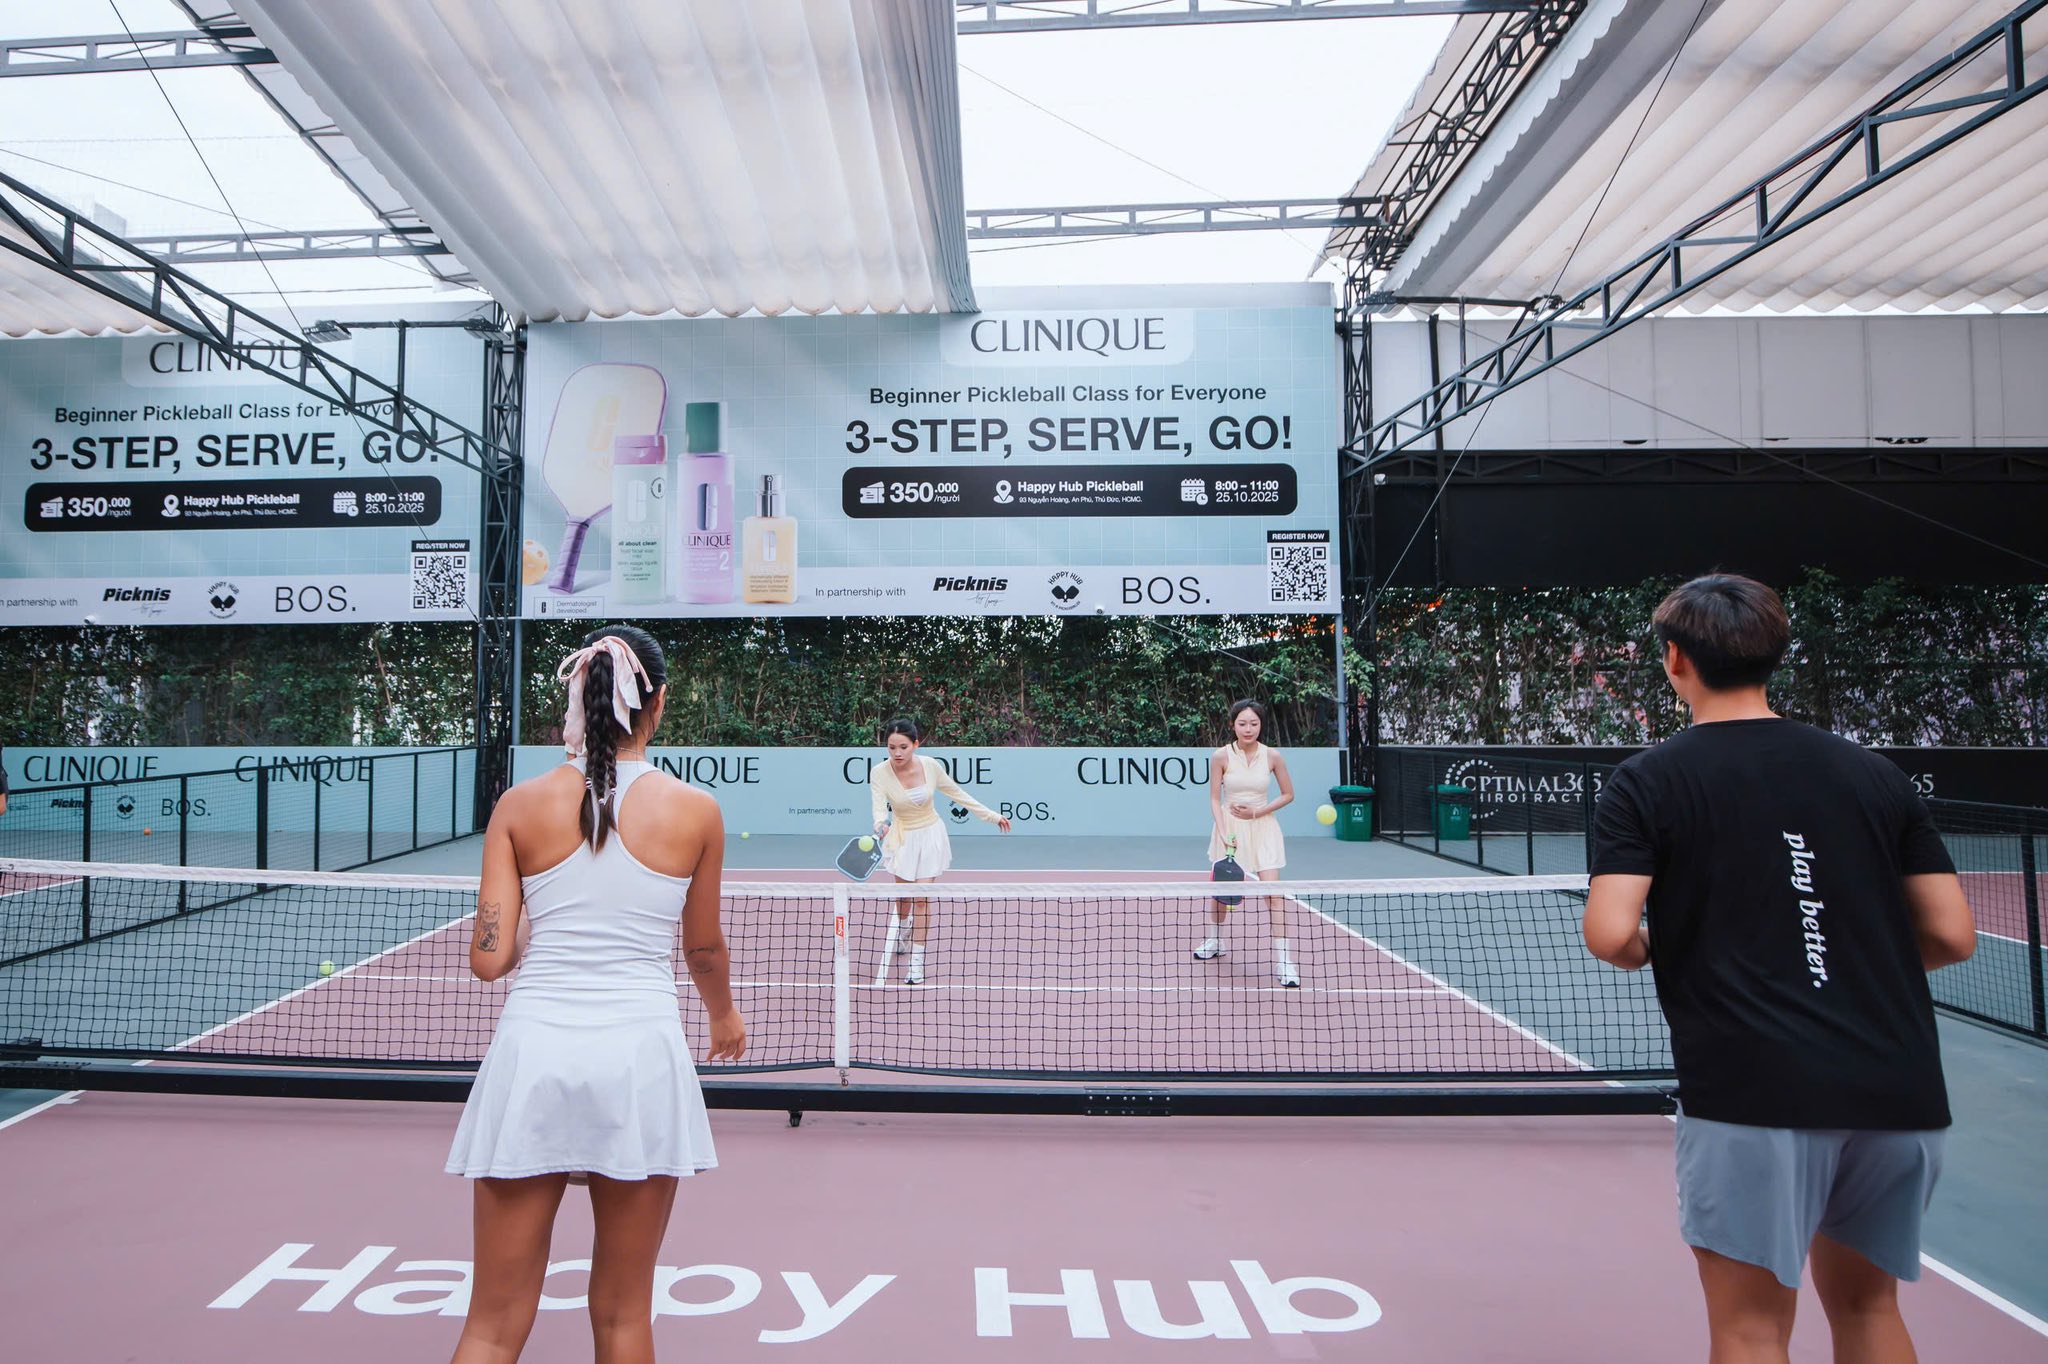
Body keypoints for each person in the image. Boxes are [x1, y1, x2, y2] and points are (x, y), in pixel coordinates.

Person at [1582, 573, 1976, 1364]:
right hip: (1897, 1087)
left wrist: (1674, 952)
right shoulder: (1876, 775)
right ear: (1773, 656)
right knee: (1869, 1311)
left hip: (1751, 1091)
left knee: (1752, 1329)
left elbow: (1611, 933)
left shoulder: (1647, 781)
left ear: (1674, 660)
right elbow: (1953, 936)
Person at [445, 624, 746, 1364]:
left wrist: (528, 920)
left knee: (490, 1325)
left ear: (577, 699)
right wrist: (724, 1014)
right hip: (640, 1063)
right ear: (658, 703)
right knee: (622, 1318)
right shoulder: (695, 811)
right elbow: (701, 948)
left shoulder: (518, 806)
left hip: (533, 1059)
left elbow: (490, 960)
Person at [869, 717, 1010, 984]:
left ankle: (916, 964)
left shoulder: (931, 766)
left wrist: (992, 816)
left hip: (930, 835)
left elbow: (958, 794)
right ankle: (903, 927)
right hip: (901, 838)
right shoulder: (879, 773)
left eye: (903, 747)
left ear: (915, 744)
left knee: (922, 898)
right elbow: (878, 806)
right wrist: (880, 824)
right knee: (904, 898)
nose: (897, 753)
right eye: (891, 747)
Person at [1193, 699, 1298, 987]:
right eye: (1242, 723)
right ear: (1232, 725)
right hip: (1230, 830)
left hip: (1263, 827)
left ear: (1261, 725)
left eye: (1253, 723)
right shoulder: (1221, 756)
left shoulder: (1273, 756)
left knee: (1273, 895)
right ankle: (1216, 942)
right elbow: (1215, 798)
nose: (1248, 728)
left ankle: (1284, 962)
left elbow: (1288, 794)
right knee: (1219, 893)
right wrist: (1225, 830)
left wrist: (1257, 812)